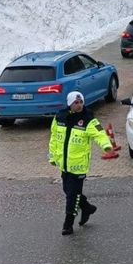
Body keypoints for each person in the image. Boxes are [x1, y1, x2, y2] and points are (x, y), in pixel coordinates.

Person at [48, 91, 113, 235]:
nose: (79, 105)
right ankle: (87, 208)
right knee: (68, 190)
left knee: (72, 195)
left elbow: (99, 134)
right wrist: (52, 157)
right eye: (76, 103)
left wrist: (106, 146)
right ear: (70, 104)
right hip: (64, 163)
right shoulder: (59, 117)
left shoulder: (88, 119)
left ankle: (68, 224)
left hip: (79, 165)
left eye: (81, 102)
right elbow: (53, 139)